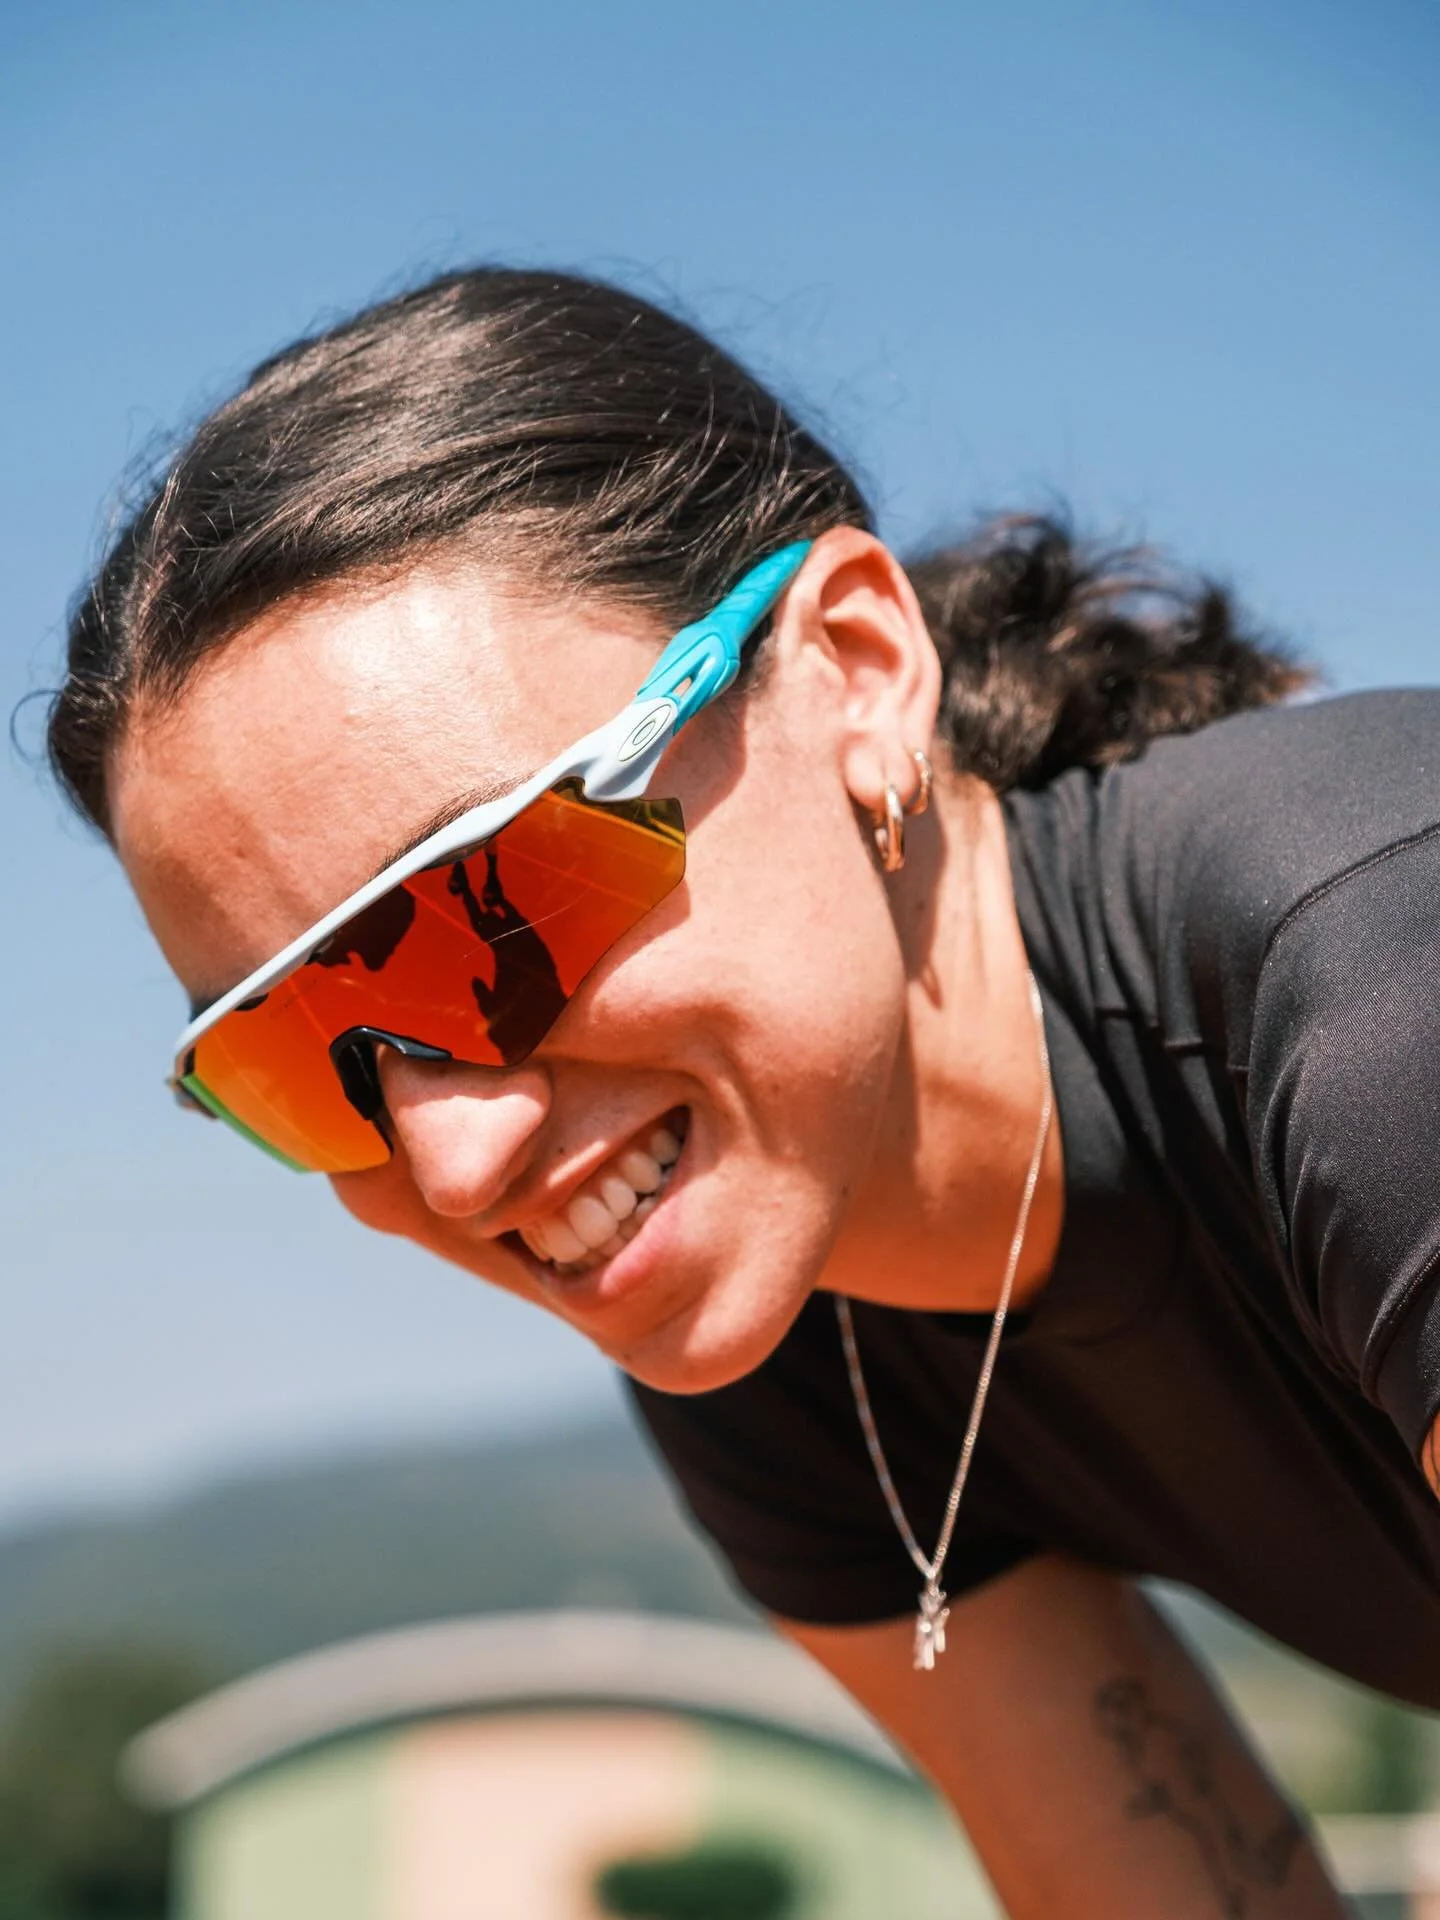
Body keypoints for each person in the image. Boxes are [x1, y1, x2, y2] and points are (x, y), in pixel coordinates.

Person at [46, 265, 1440, 1917]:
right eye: (293, 1058)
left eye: (495, 907)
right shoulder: (782, 1322)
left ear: (855, 671)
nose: (458, 1152)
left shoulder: (1376, 973)